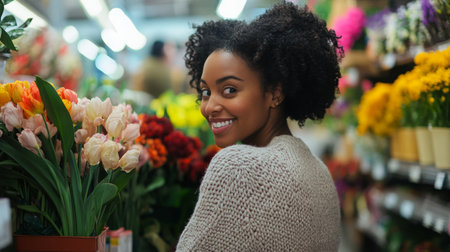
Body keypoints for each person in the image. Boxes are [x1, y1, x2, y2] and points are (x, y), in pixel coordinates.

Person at [176, 2, 343, 251]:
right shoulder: (318, 171)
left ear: (274, 92)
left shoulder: (238, 168)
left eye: (230, 90)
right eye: (206, 91)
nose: (209, 106)